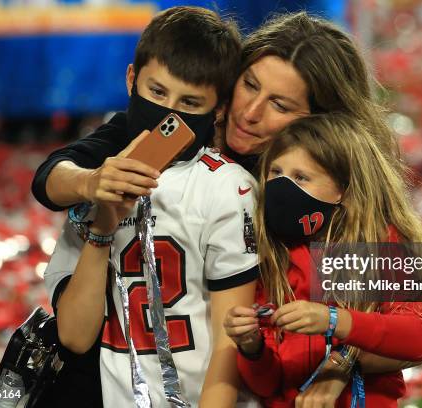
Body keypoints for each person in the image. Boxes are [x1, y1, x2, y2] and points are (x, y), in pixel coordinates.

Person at [33, 11, 422, 406]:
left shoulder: (318, 193)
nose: (250, 112)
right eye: (249, 85)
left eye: (279, 105)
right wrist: (89, 182)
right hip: (125, 370)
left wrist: (341, 360)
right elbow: (55, 174)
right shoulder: (179, 130)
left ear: (318, 124)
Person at [43, 6, 260, 407]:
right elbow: (74, 335)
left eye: (190, 103)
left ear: (218, 109)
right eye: (157, 93)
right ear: (131, 79)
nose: (168, 114)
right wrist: (102, 221)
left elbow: (230, 336)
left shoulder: (228, 186)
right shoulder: (103, 172)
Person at [224, 113, 422, 407]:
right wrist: (251, 347)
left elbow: (418, 338)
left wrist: (334, 320)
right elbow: (268, 383)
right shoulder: (271, 254)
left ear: (343, 189)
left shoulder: (378, 246)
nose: (282, 186)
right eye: (275, 172)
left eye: (301, 177)